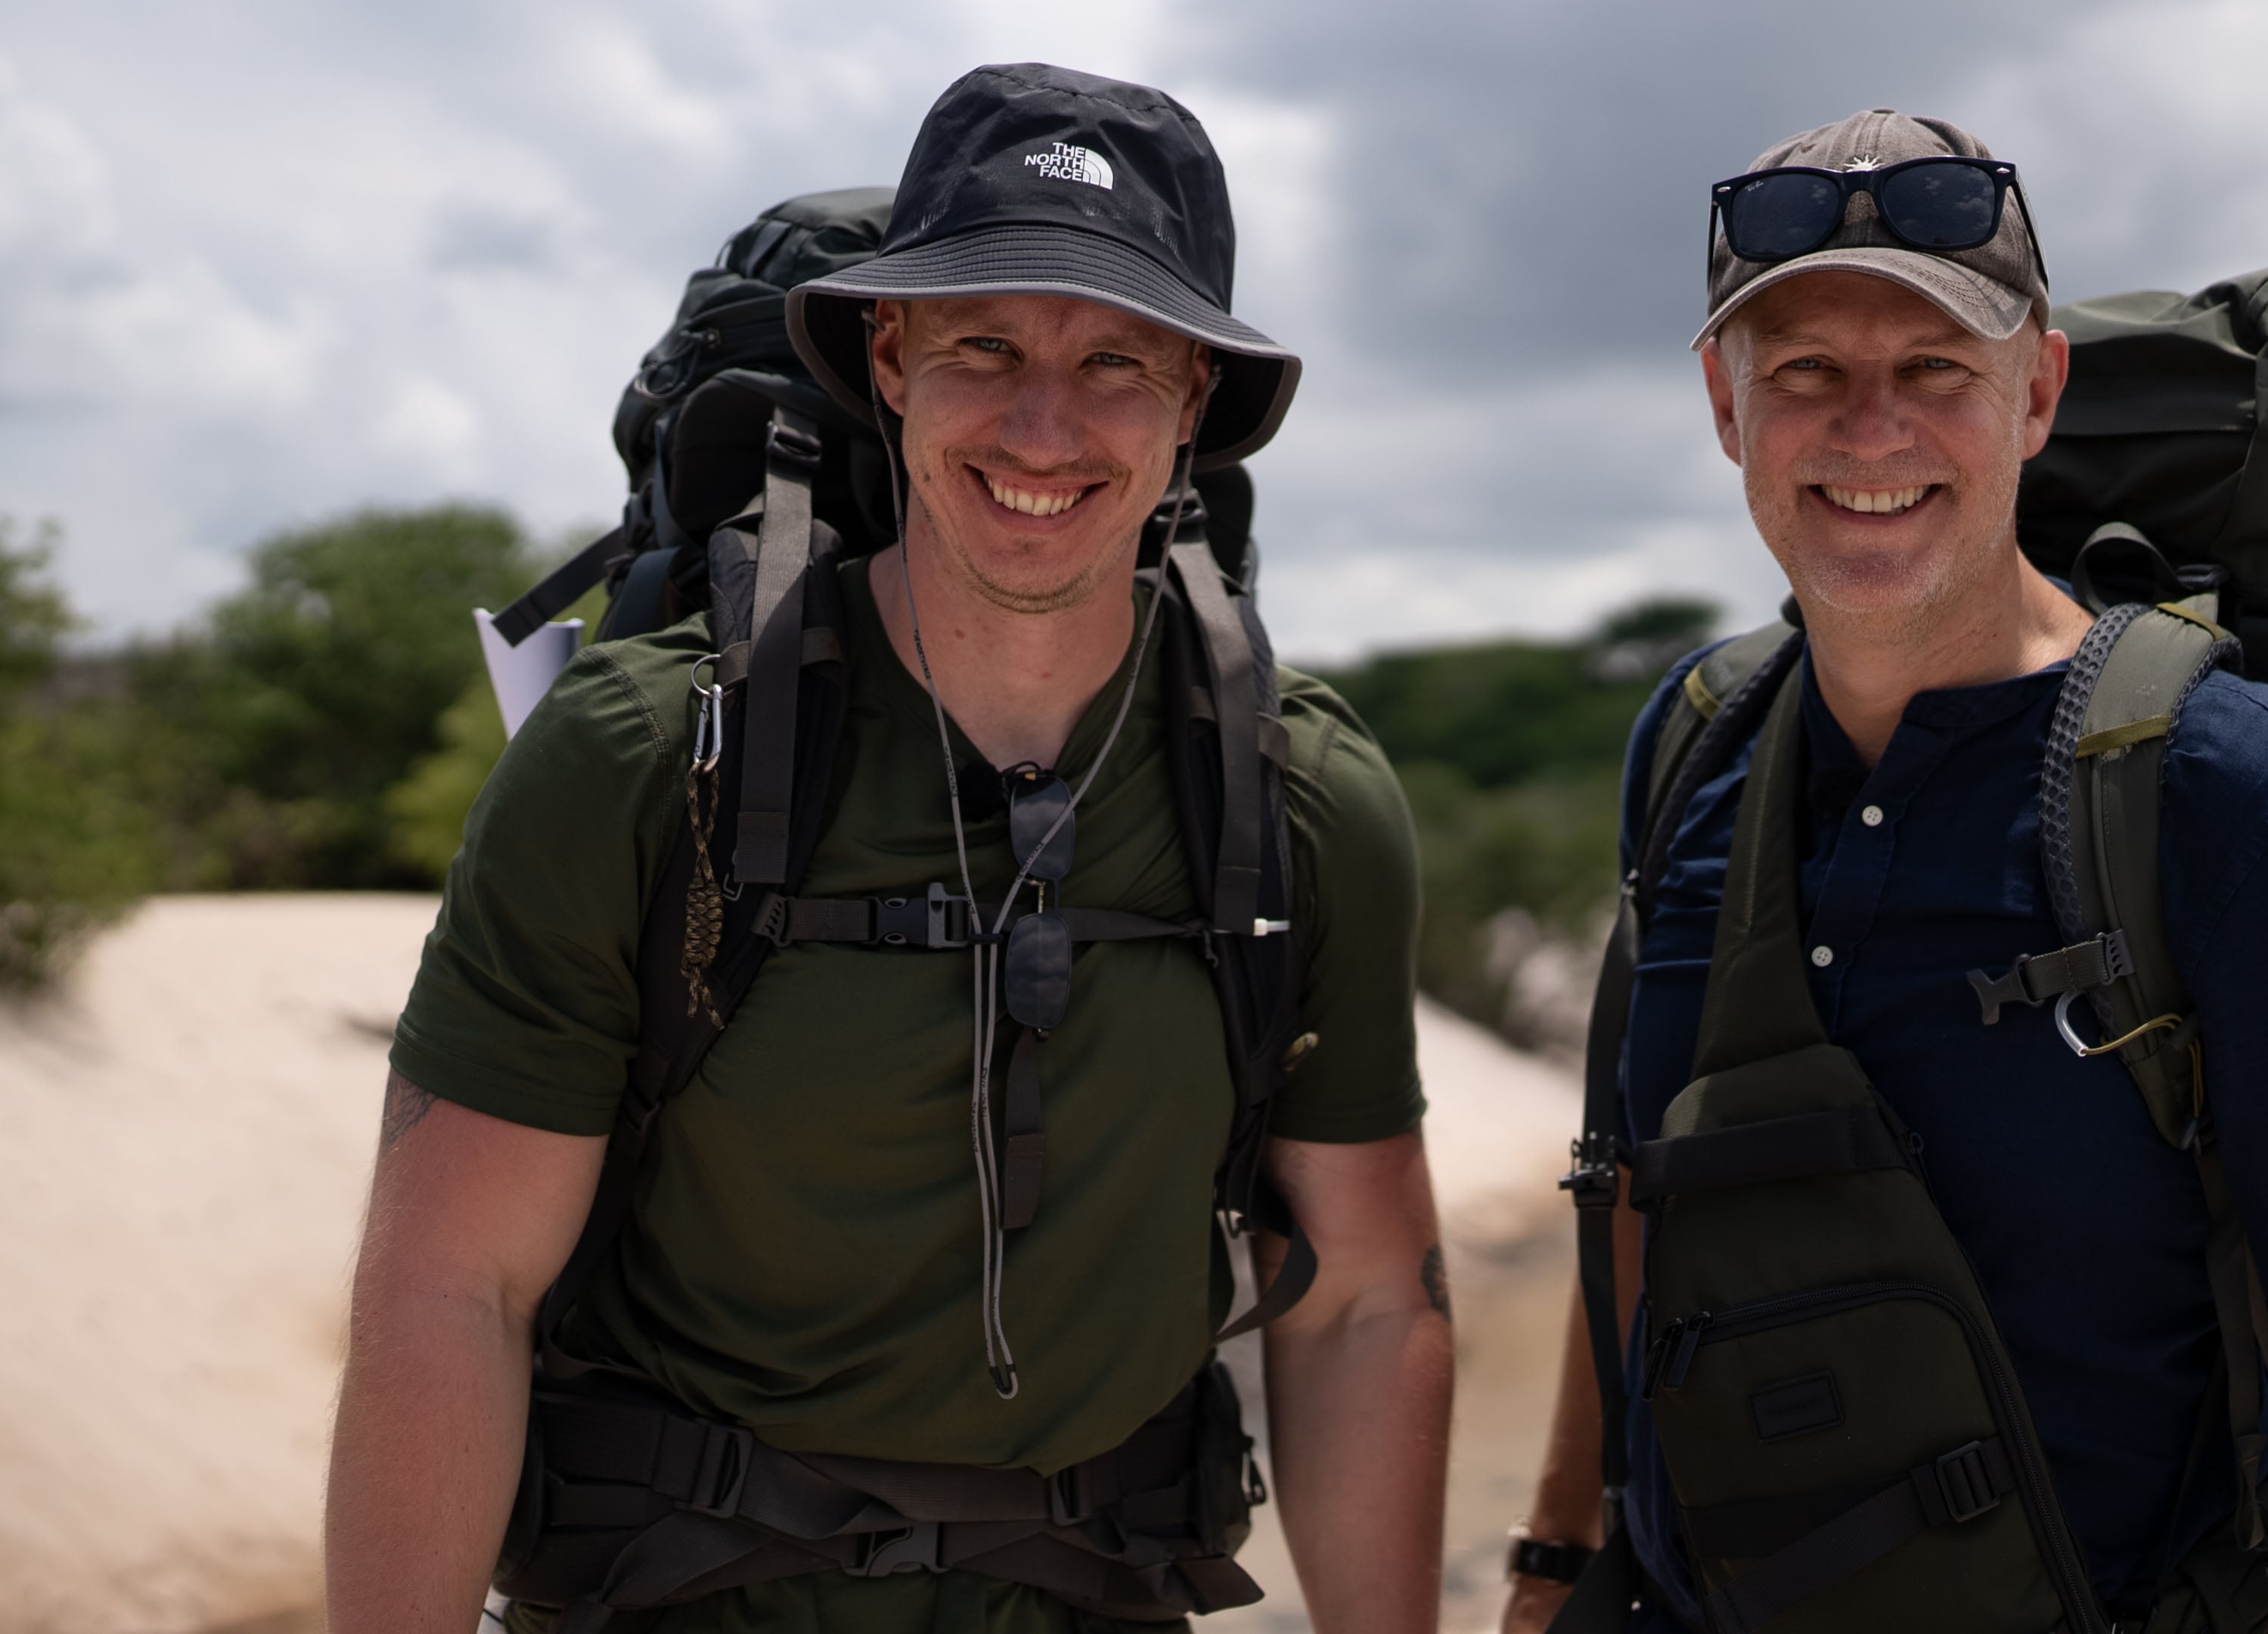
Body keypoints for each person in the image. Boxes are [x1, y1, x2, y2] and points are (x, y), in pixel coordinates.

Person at [325, 64, 1450, 1634]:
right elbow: (452, 1290)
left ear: (1195, 396)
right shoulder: (646, 762)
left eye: (1116, 358)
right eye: (984, 344)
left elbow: (1370, 1310)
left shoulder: (1300, 798)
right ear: (891, 357)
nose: (1043, 425)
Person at [1502, 109, 2268, 1633]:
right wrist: (1556, 1563)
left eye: (1936, 369)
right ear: (1724, 403)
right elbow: (1632, 1203)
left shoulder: (2232, 798)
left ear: (2037, 393)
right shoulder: (1694, 747)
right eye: (1807, 368)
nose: (1868, 427)